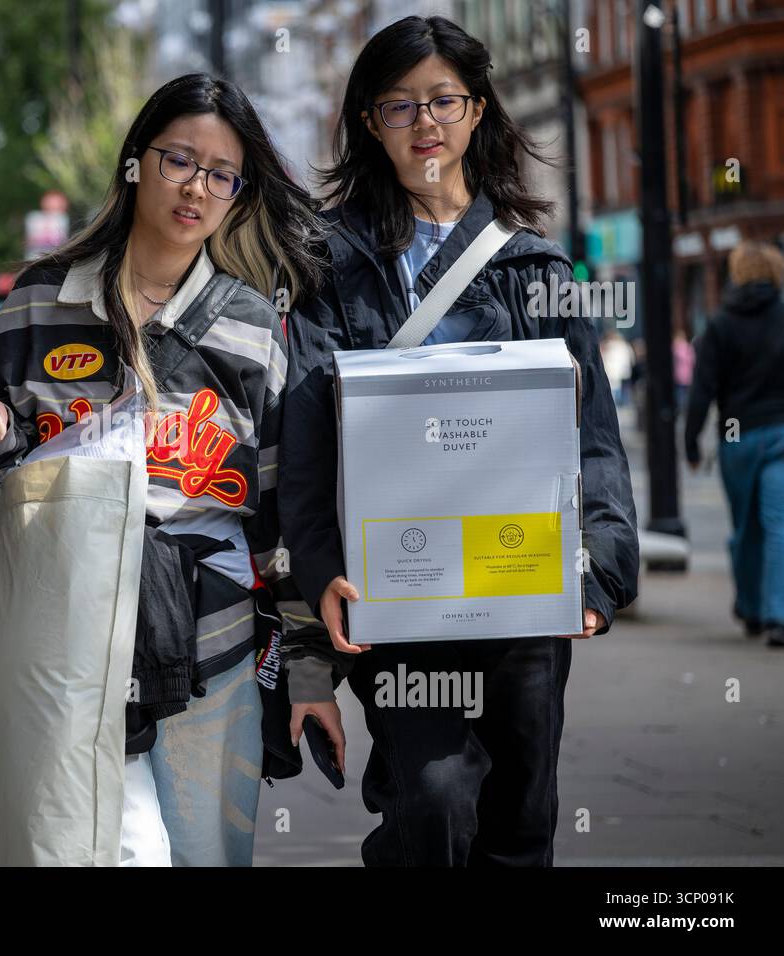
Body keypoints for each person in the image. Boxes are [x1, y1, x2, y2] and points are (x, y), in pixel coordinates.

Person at [279, 15, 639, 867]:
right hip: (394, 595)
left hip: (523, 593)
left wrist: (601, 562)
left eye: (443, 100)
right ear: (370, 123)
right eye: (399, 106)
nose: (425, 123)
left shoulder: (537, 270)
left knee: (520, 823)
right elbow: (304, 444)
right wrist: (323, 564)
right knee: (432, 804)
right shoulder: (326, 270)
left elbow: (592, 441)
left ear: (478, 111)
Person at [0, 73, 325, 866]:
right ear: (134, 163)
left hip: (211, 646)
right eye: (179, 160)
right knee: (94, 849)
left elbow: (283, 511)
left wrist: (309, 666)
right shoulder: (39, 301)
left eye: (222, 174)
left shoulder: (254, 327)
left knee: (206, 854)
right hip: (62, 637)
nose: (197, 188)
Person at [685, 240, 784, 647]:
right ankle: (778, 613)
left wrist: (690, 442)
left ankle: (750, 606)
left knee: (746, 529)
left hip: (737, 436)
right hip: (781, 433)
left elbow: (702, 390)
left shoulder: (720, 324)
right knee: (779, 526)